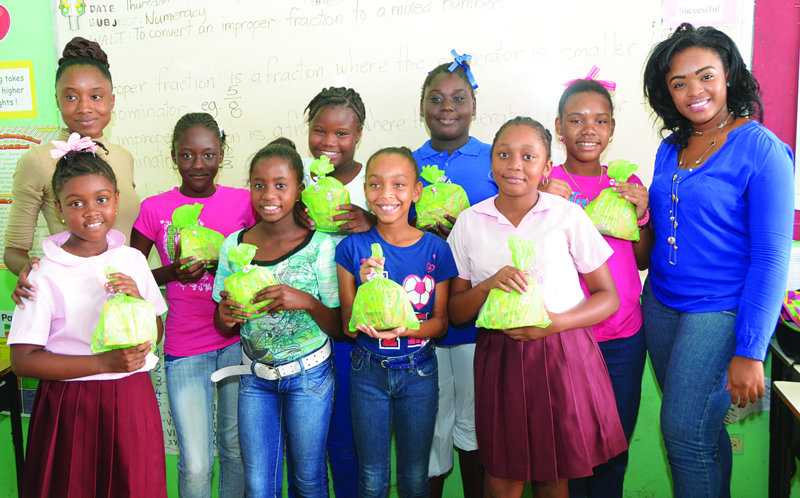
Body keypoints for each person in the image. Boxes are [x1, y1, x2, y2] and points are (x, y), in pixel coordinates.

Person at [642, 23, 794, 496]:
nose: (694, 91)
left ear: (729, 74)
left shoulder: (763, 150)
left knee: (684, 435)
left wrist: (751, 349)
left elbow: (771, 259)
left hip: (720, 310)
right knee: (701, 433)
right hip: (662, 307)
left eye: (705, 75)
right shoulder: (670, 149)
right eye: (678, 82)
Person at [447, 117, 627, 498]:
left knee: (552, 473)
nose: (515, 164)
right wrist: (488, 286)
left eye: (528, 156)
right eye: (504, 154)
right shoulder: (469, 223)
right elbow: (457, 313)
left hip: (560, 355)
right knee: (501, 474)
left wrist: (555, 323)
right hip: (499, 358)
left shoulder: (567, 216)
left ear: (546, 168)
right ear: (491, 163)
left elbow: (607, 297)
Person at [7, 138, 168, 498]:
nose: (91, 211)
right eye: (76, 203)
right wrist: (104, 361)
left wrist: (138, 303)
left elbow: (154, 331)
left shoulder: (132, 260)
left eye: (101, 199)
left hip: (131, 398)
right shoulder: (43, 272)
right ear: (60, 209)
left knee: (135, 485)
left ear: (115, 199)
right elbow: (23, 360)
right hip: (70, 404)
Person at [130, 113, 252, 498]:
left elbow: (265, 255)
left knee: (235, 450)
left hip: (235, 340)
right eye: (187, 155)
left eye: (208, 154)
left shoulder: (245, 202)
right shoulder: (153, 209)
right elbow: (131, 278)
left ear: (221, 153)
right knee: (196, 462)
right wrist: (171, 274)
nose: (198, 165)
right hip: (184, 346)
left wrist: (225, 267)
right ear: (173, 156)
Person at [213, 139, 342, 497]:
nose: (269, 194)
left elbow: (339, 327)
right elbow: (222, 322)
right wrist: (226, 315)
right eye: (259, 184)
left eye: (281, 185)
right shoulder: (234, 246)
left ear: (299, 189)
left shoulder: (320, 245)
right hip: (255, 380)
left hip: (309, 378)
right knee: (258, 485)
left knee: (309, 479)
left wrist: (306, 302)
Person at [542, 78, 651, 497]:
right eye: (577, 120)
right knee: (569, 449)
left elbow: (640, 259)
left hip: (623, 336)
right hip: (566, 336)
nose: (589, 130)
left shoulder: (626, 183)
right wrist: (543, 202)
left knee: (614, 449)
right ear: (559, 126)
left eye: (600, 120)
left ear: (611, 129)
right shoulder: (544, 182)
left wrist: (642, 215)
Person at [336, 146, 458, 497]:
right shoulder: (352, 249)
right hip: (366, 371)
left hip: (419, 372)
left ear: (416, 191)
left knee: (415, 475)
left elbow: (441, 324)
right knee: (372, 476)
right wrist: (364, 285)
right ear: (365, 191)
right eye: (375, 185)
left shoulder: (436, 250)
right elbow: (347, 326)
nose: (386, 195)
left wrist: (408, 329)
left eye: (399, 185)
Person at [412, 52, 496, 498]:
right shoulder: (405, 164)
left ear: (474, 106)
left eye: (459, 98)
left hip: (474, 320)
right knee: (429, 424)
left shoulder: (494, 161)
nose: (447, 107)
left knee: (475, 423)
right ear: (421, 106)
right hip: (418, 319)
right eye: (436, 98)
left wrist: (461, 230)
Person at [6, 36, 138, 304]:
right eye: (71, 97)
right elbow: (13, 251)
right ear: (57, 100)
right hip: (71, 298)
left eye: (96, 96)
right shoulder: (39, 160)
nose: (85, 108)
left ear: (112, 101)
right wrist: (32, 273)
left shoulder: (124, 157)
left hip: (123, 296)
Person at [297, 86, 376, 498]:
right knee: (305, 441)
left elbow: (402, 243)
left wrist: (371, 222)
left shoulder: (374, 181)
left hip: (350, 331)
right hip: (304, 329)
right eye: (319, 131)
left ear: (359, 133)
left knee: (343, 438)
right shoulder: (297, 182)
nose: (328, 143)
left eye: (341, 134)